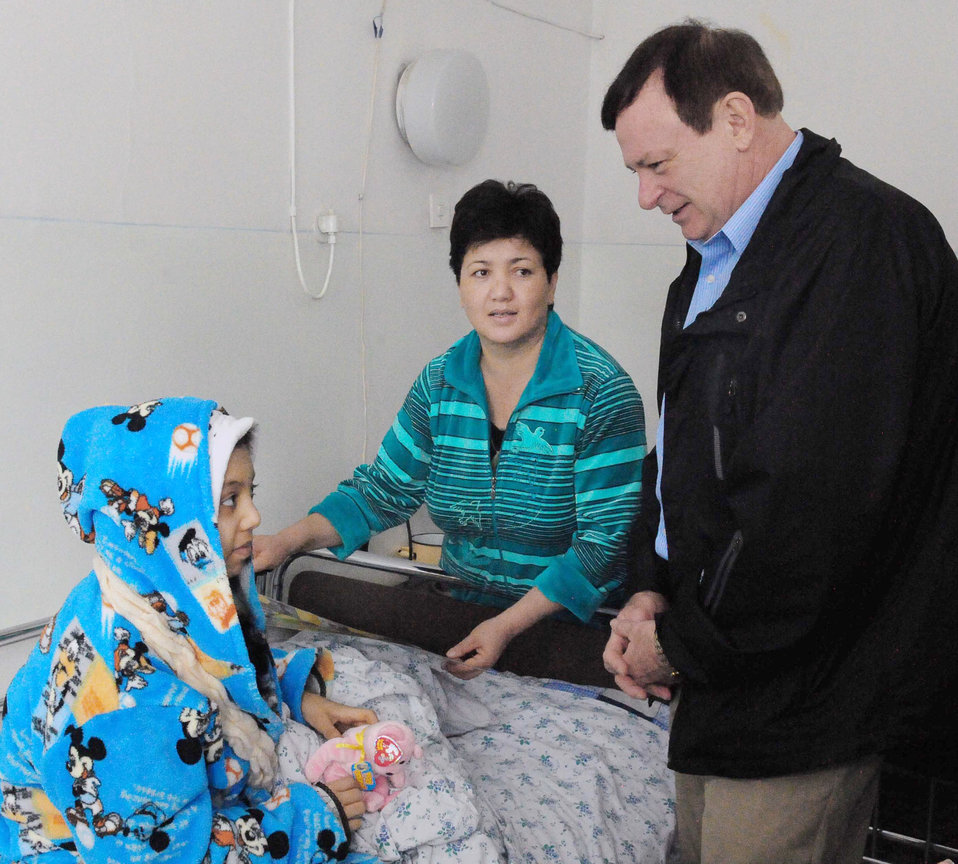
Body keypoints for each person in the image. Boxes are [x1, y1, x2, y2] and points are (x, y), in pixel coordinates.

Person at [599, 20, 958, 864]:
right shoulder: (718, 254)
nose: (645, 197)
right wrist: (647, 588)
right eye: (634, 172)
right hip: (722, 675)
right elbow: (681, 449)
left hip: (806, 701)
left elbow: (809, 512)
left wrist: (674, 644)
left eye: (657, 165)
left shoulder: (861, 244)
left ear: (733, 118)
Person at [255, 179, 646, 679]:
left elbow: (602, 547)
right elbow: (382, 491)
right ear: (460, 284)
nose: (500, 292)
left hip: (569, 633)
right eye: (480, 272)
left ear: (551, 283)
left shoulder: (599, 392)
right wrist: (286, 542)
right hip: (457, 615)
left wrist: (505, 627)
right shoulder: (439, 384)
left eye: (521, 271)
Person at [0, 397, 378, 862]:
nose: (255, 517)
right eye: (229, 501)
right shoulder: (125, 706)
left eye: (251, 494)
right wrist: (315, 817)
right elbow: (163, 854)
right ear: (164, 523)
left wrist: (296, 694)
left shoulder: (150, 590)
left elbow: (209, 665)